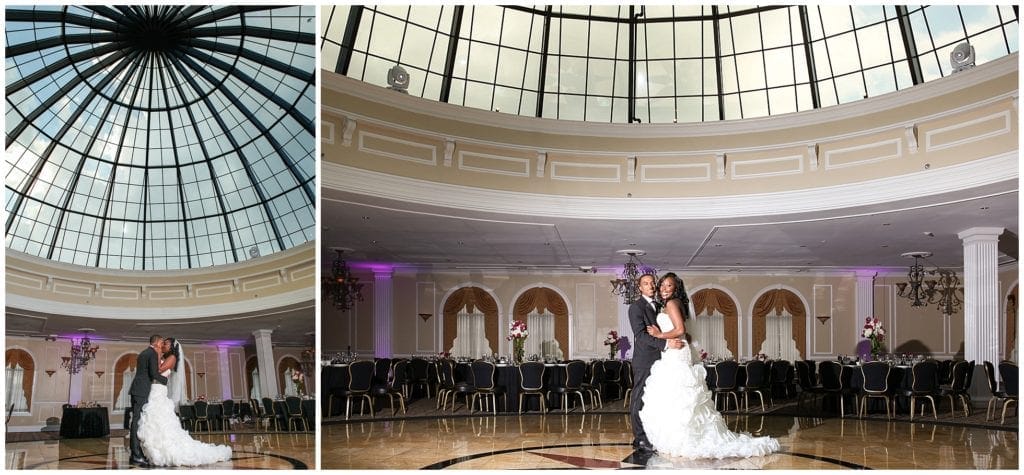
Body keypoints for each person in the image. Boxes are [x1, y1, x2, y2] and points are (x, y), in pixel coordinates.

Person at [639, 273, 780, 460]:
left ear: (676, 289)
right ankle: (681, 437)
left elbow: (680, 330)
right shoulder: (674, 304)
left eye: (669, 286)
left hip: (676, 353)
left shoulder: (672, 303)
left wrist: (658, 335)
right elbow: (685, 335)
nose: (664, 289)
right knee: (679, 396)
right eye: (662, 285)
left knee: (679, 395)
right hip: (677, 350)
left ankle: (683, 439)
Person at [137, 338, 232, 466]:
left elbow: (158, 370)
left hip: (158, 392)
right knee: (152, 421)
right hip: (153, 391)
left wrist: (157, 354)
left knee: (160, 421)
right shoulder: (162, 356)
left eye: (166, 343)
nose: (163, 345)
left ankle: (165, 451)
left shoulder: (172, 358)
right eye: (162, 343)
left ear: (172, 347)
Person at [628, 273, 684, 454]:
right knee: (639, 400)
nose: (651, 286)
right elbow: (642, 336)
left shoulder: (661, 305)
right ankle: (640, 439)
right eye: (646, 283)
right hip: (644, 360)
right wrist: (667, 343)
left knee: (654, 400)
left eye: (653, 283)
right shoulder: (636, 307)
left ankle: (654, 434)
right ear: (640, 287)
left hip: (662, 361)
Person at [128, 335, 167, 466]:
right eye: (161, 342)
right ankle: (136, 455)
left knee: (136, 421)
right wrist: (166, 380)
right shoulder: (151, 353)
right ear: (156, 343)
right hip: (141, 391)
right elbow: (154, 374)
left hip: (137, 390)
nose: (162, 345)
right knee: (136, 422)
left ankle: (136, 453)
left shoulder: (144, 353)